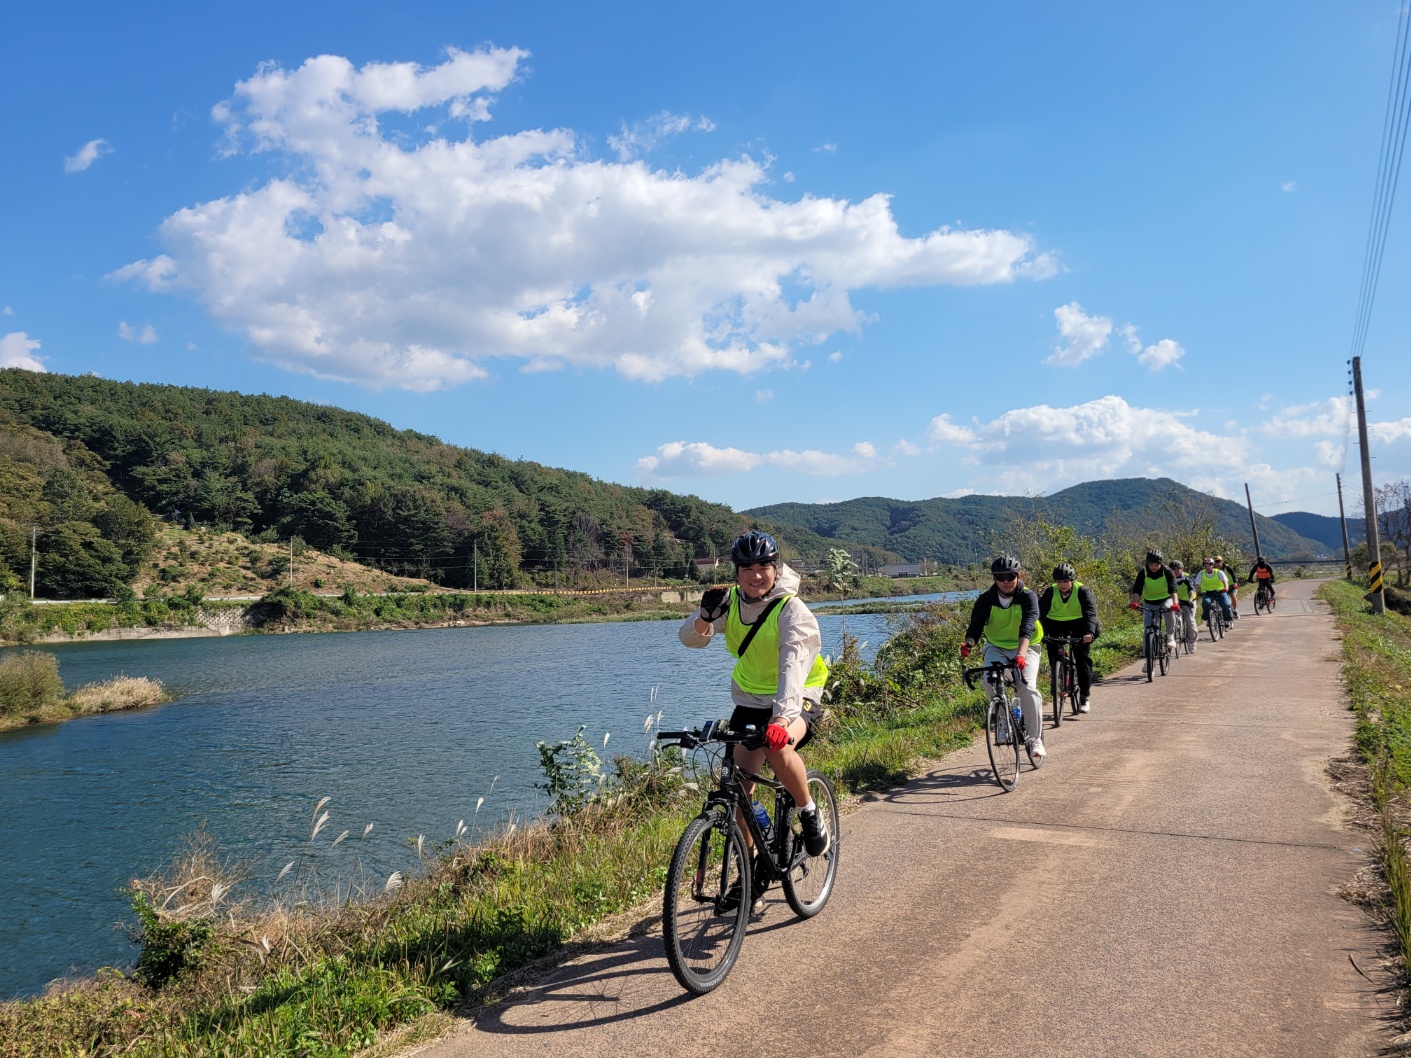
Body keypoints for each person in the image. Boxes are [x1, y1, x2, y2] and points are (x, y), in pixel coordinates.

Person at [679, 530, 830, 908]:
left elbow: (792, 668)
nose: (756, 575)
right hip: (749, 699)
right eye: (747, 568)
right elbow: (690, 639)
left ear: (777, 568)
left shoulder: (792, 610)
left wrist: (781, 720)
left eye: (764, 566)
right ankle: (749, 875)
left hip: (799, 695)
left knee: (778, 748)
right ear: (736, 572)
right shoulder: (729, 601)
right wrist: (704, 617)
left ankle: (809, 812)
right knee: (737, 790)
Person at [961, 555, 1046, 762]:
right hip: (996, 646)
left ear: (1019, 576)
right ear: (994, 578)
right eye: (1000, 577)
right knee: (989, 681)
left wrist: (1021, 654)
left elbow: (1027, 627)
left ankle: (1035, 739)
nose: (1006, 581)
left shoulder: (1028, 597)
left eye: (1010, 576)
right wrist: (969, 644)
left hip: (1026, 646)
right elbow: (976, 626)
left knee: (1027, 687)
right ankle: (1003, 720)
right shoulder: (985, 600)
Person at [1038, 562, 1098, 713]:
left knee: (1082, 660)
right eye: (1059, 581)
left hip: (1079, 624)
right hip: (1055, 623)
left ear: (1072, 580)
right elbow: (1039, 614)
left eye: (1065, 581)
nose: (1062, 585)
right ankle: (1057, 676)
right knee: (1053, 653)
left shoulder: (1082, 591)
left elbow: (1090, 612)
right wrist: (1038, 634)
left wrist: (1089, 633)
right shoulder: (1050, 591)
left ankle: (1084, 696)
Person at [1129, 550, 1179, 654]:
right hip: (1149, 601)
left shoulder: (1167, 571)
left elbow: (1173, 589)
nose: (1153, 567)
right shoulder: (1143, 572)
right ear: (1147, 563)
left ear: (1160, 563)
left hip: (1165, 599)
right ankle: (1147, 655)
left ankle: (1170, 636)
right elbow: (1137, 589)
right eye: (1151, 564)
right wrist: (1134, 602)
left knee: (1169, 610)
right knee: (1148, 628)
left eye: (1156, 564)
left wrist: (1175, 604)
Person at [1169, 559, 1199, 654]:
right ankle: (1170, 640)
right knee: (1170, 619)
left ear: (1182, 569)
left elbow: (1191, 590)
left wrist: (1190, 600)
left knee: (1189, 620)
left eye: (1177, 569)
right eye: (1173, 569)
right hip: (1176, 601)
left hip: (1188, 601)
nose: (1175, 571)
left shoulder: (1187, 577)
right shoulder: (1168, 577)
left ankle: (1192, 642)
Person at [1197, 557, 1234, 626]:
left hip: (1220, 591)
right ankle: (1208, 619)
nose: (1207, 567)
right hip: (1207, 593)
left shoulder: (1219, 572)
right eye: (1205, 566)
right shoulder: (1201, 573)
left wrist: (1226, 588)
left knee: (1225, 604)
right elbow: (1197, 584)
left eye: (1208, 565)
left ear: (1212, 565)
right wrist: (1198, 591)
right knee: (1205, 603)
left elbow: (1225, 581)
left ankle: (1227, 620)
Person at [1214, 555, 1239, 619]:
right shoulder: (1214, 570)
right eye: (1215, 562)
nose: (1217, 563)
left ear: (1222, 562)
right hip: (1222, 586)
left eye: (1218, 561)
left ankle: (1235, 610)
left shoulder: (1227, 568)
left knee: (1233, 596)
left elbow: (1234, 575)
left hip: (1231, 585)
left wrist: (1235, 583)